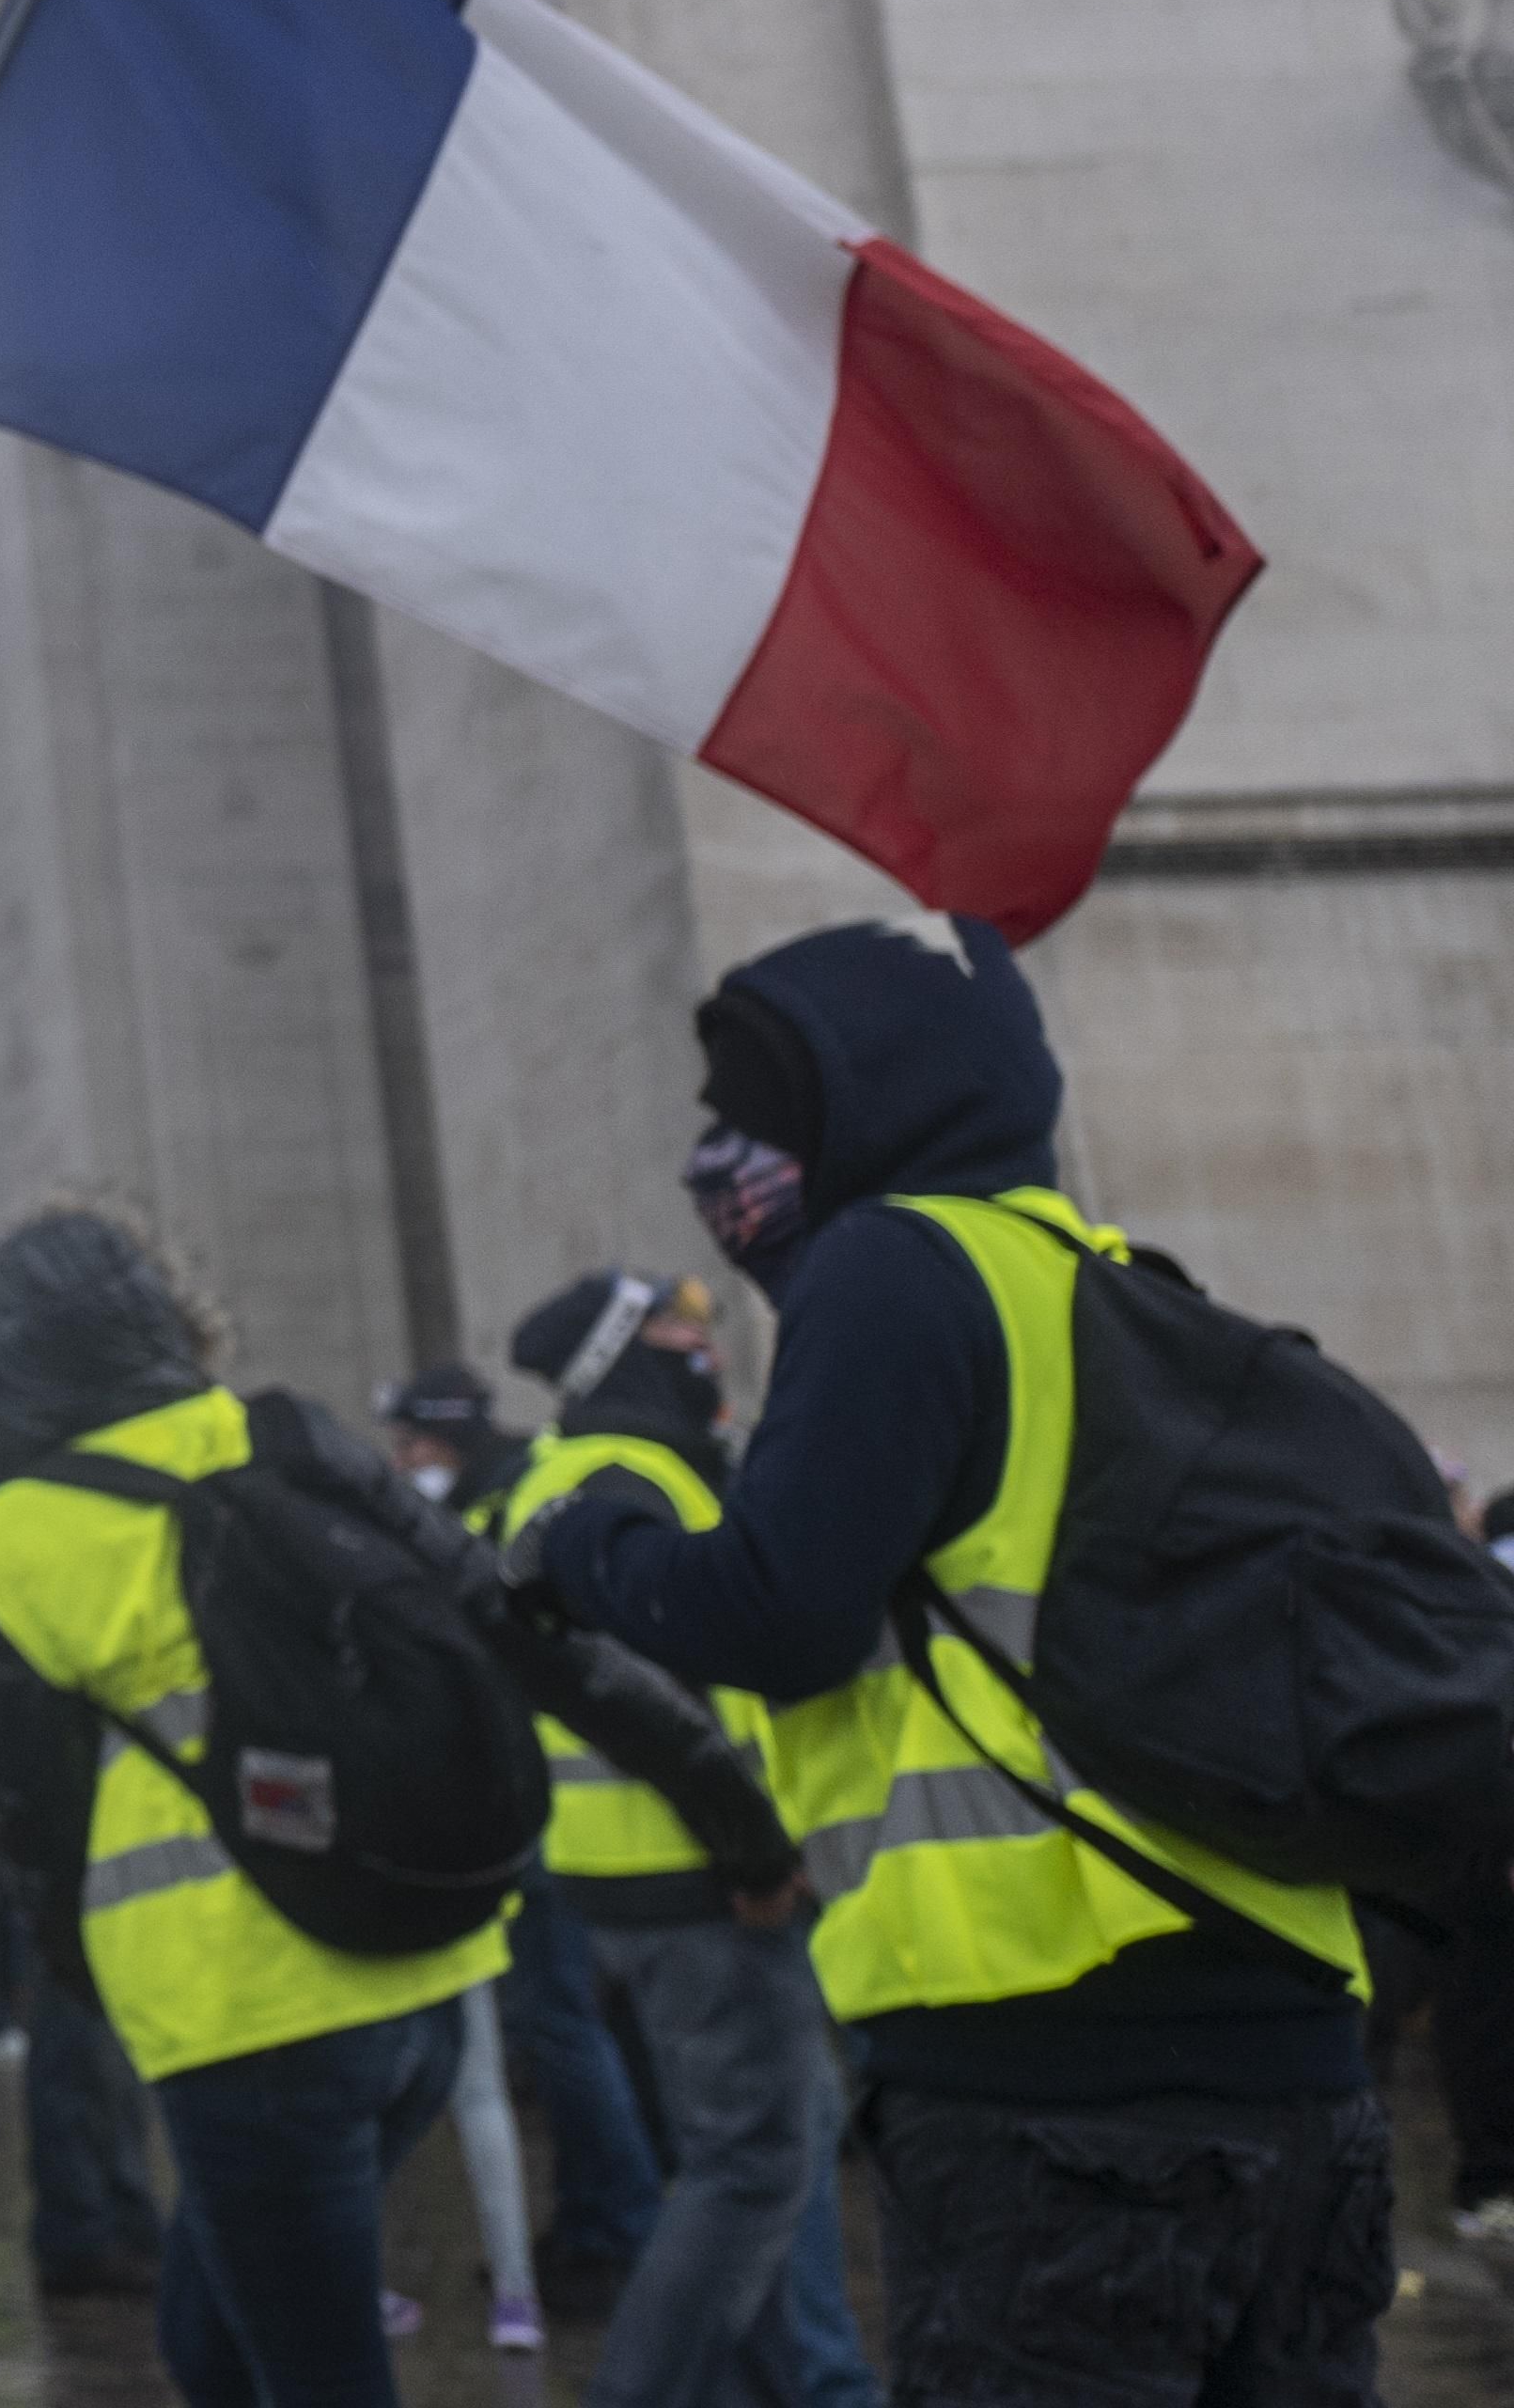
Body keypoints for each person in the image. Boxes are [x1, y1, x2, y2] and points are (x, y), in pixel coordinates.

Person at [514, 918, 1393, 2405]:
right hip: (1295, 2058)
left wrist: (588, 1537)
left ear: (863, 1114)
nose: (720, 1169)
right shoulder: (1119, 1281)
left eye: (753, 1126)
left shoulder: (894, 1265)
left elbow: (779, 1614)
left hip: (1053, 2076)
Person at [0, 1202, 793, 2408]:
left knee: (310, 2375)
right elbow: (529, 1638)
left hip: (237, 2017)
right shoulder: (280, 1434)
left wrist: (86, 1989)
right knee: (208, 2343)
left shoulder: (6, 1545)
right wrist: (739, 1817)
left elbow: (33, 1827)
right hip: (425, 1979)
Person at [483, 1263, 833, 2405]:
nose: (704, 1344)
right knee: (753, 2166)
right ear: (619, 1355)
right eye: (679, 1329)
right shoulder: (627, 1475)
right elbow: (656, 1705)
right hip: (699, 1876)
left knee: (736, 2163)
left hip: (626, 1871)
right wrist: (757, 1849)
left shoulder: (568, 1471)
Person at [385, 1354, 663, 2308]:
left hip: (542, 1805)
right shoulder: (514, 1488)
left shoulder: (494, 1509)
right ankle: (598, 2216)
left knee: (563, 2028)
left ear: (448, 1435)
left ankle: (617, 2226)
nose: (403, 1457)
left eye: (413, 1440)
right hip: (552, 1803)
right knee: (569, 2028)